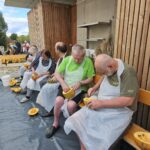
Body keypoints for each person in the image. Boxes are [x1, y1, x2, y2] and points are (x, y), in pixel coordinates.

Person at [64, 54, 139, 150]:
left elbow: (128, 100)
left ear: (110, 66)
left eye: (104, 73)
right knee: (76, 119)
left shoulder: (127, 73)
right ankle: (84, 148)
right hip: (102, 105)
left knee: (104, 138)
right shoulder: (112, 64)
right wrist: (94, 88)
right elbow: (103, 77)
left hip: (120, 112)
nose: (103, 76)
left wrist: (101, 103)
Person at [45, 44, 95, 138]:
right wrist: (63, 83)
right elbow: (57, 73)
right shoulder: (67, 60)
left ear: (84, 56)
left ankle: (75, 124)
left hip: (80, 90)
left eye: (79, 58)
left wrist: (81, 83)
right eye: (75, 58)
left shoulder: (88, 62)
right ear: (71, 54)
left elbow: (90, 78)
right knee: (58, 101)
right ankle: (55, 123)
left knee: (71, 106)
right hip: (66, 87)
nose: (76, 60)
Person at [36, 42, 68, 116]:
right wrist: (54, 75)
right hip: (57, 79)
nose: (55, 49)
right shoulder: (60, 58)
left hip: (63, 82)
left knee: (46, 88)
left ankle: (51, 109)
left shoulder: (66, 59)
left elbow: (65, 74)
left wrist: (56, 78)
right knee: (45, 86)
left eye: (55, 48)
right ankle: (49, 107)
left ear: (58, 50)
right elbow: (58, 70)